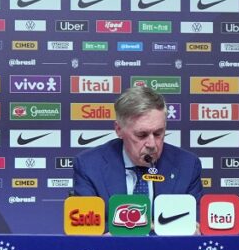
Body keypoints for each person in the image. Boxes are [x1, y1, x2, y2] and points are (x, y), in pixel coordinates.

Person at [72, 85, 202, 199]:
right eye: (142, 135)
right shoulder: (89, 166)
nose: (152, 144)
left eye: (158, 133)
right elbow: (88, 219)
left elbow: (194, 217)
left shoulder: (187, 166)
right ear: (119, 130)